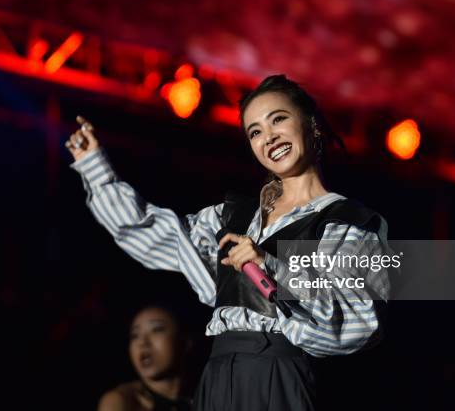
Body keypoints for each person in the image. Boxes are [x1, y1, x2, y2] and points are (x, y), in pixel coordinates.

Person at [67, 75, 392, 411]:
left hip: (278, 376)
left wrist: (270, 267)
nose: (269, 137)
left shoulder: (347, 222)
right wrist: (96, 169)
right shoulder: (234, 216)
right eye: (255, 131)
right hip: (219, 374)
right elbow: (158, 235)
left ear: (312, 125)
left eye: (278, 119)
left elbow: (357, 323)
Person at [98, 305, 193, 411]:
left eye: (157, 329)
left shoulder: (206, 392)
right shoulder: (121, 401)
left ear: (185, 341)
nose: (142, 342)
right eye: (135, 335)